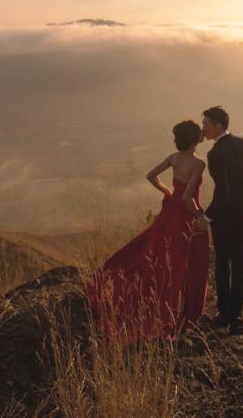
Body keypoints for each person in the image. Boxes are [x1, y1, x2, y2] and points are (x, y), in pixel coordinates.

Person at [85, 120, 210, 343]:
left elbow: (150, 175)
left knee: (159, 254)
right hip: (184, 215)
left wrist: (166, 190)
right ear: (193, 139)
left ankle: (169, 301)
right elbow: (187, 198)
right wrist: (200, 215)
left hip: (169, 211)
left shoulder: (174, 157)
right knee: (182, 260)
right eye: (199, 132)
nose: (203, 133)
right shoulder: (198, 164)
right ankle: (182, 309)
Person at [196, 105, 243, 335]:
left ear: (217, 125)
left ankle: (223, 313)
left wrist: (207, 216)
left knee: (223, 264)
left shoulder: (215, 154)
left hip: (224, 218)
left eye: (206, 124)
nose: (204, 128)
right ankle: (237, 318)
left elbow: (223, 190)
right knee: (240, 266)